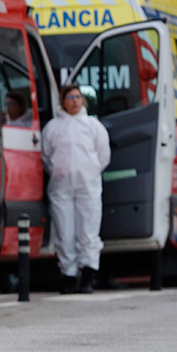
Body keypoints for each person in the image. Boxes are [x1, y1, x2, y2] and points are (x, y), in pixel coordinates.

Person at [41, 84, 111, 294]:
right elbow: (46, 157)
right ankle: (69, 276)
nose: (74, 101)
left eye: (78, 97)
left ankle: (88, 275)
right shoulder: (53, 127)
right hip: (61, 188)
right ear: (62, 101)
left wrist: (89, 171)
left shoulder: (93, 126)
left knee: (88, 232)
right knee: (65, 233)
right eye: (70, 97)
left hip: (88, 187)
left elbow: (103, 155)